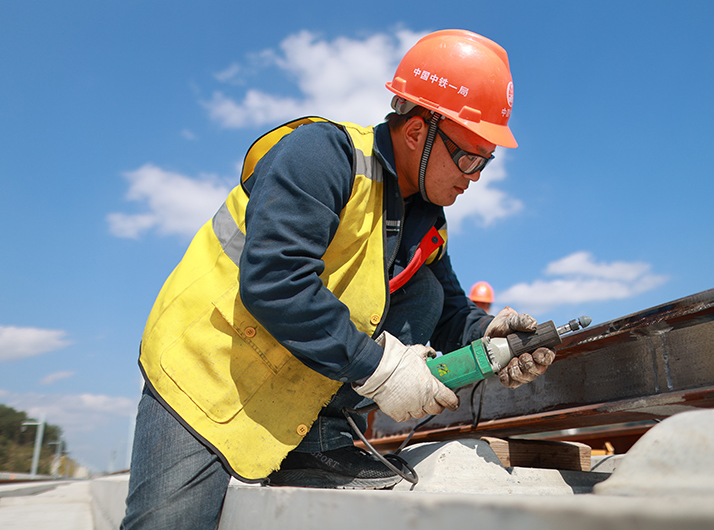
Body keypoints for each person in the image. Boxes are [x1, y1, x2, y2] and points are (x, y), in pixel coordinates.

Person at [120, 29, 556, 530]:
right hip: (208, 369)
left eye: (486, 161)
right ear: (417, 132)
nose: (475, 175)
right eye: (469, 156)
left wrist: (489, 337)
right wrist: (382, 369)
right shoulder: (323, 156)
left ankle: (318, 445)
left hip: (294, 383)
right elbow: (277, 280)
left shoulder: (426, 221)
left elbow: (450, 311)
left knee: (427, 291)